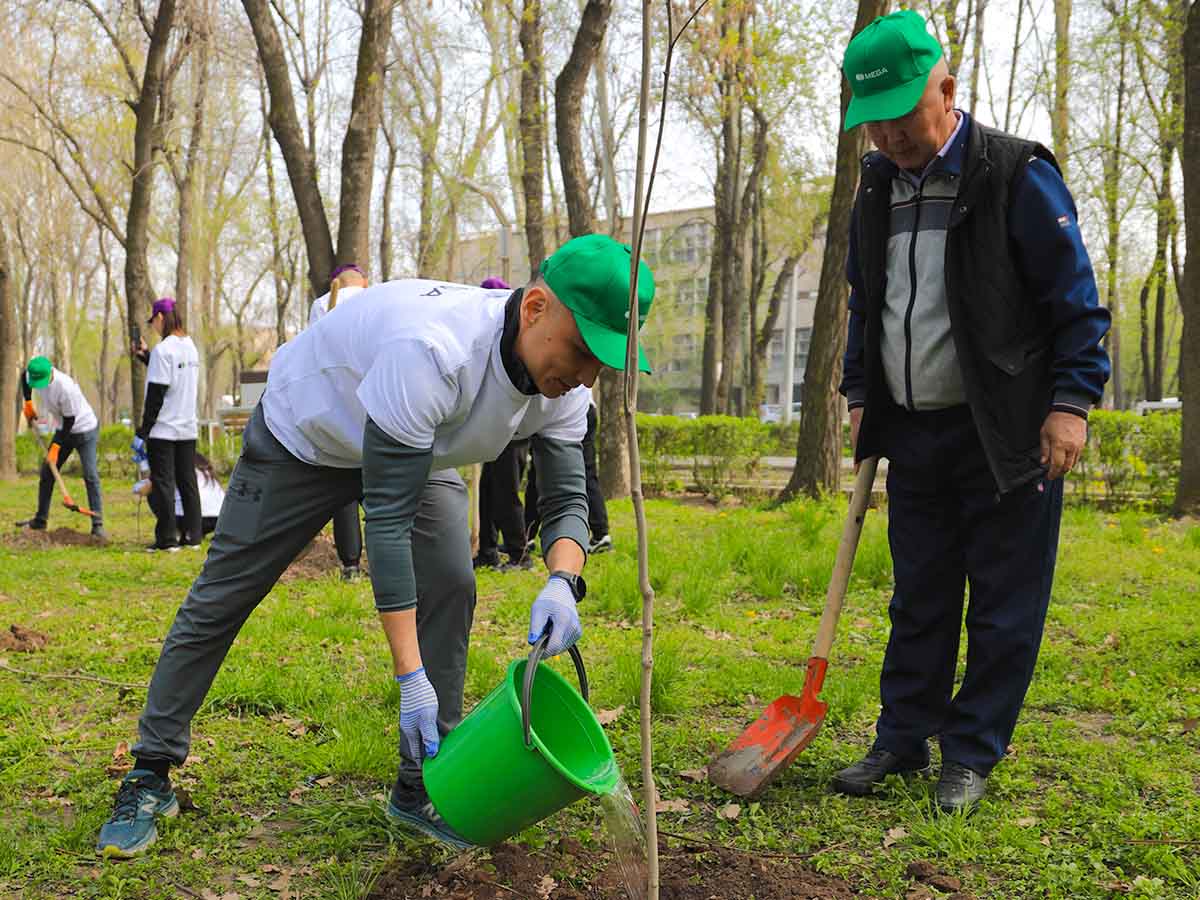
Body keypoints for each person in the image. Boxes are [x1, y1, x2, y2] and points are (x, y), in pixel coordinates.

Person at [95, 234, 656, 859]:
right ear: (535, 309)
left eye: (603, 363)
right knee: (225, 594)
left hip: (420, 443)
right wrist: (410, 675)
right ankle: (151, 768)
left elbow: (567, 502)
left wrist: (562, 581)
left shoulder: (566, 391)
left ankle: (423, 783)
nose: (585, 375)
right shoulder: (433, 352)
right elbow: (384, 523)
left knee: (451, 580)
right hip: (306, 436)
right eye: (583, 351)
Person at [831, 10, 1111, 813]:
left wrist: (1070, 404)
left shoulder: (1016, 174)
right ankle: (902, 738)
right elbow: (866, 301)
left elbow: (1076, 304)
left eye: (900, 117)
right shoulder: (877, 188)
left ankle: (972, 751)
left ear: (945, 90)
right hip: (914, 430)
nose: (887, 136)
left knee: (1002, 602)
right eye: (872, 122)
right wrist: (860, 394)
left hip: (1006, 429)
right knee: (918, 594)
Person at [308, 263, 370, 580]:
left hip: (336, 406)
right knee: (377, 485)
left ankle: (350, 564)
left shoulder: (322, 304)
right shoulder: (376, 298)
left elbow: (313, 353)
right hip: (372, 403)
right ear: (364, 281)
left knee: (344, 487)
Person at [132, 298, 202, 552]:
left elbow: (157, 394)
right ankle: (193, 537)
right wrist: (145, 357)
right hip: (187, 427)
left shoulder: (164, 350)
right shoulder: (190, 347)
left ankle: (167, 539)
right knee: (187, 481)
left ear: (161, 317)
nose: (154, 327)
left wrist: (143, 431)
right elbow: (175, 378)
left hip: (163, 429)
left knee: (163, 484)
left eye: (154, 322)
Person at [16, 356, 106, 541]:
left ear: (50, 373)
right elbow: (24, 377)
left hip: (84, 429)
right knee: (47, 472)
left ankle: (98, 525)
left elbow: (70, 421)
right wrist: (28, 402)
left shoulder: (65, 387)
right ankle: (40, 520)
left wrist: (56, 447)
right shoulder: (34, 375)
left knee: (90, 475)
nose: (37, 385)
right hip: (63, 429)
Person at [525, 384, 611, 554]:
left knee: (581, 474)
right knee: (541, 473)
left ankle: (600, 532)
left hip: (573, 411)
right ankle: (527, 533)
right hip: (574, 410)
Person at [137, 452, 224, 538]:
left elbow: (145, 489)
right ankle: (197, 533)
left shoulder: (174, 465)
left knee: (154, 493)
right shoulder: (204, 469)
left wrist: (143, 467)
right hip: (217, 519)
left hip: (189, 520)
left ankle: (172, 531)